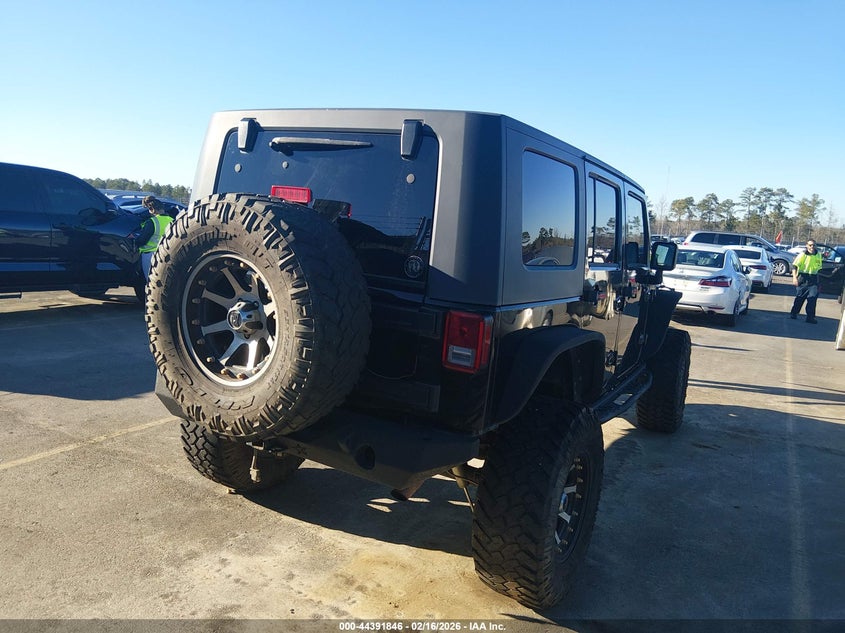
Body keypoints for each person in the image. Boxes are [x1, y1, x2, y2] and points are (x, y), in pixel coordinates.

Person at [138, 196, 175, 281]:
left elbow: (142, 240)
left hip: (150, 256)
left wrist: (134, 240)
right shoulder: (172, 221)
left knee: (151, 281)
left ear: (152, 210)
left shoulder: (152, 222)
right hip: (167, 254)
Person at [789, 239, 823, 323]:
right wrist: (794, 278)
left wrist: (820, 281)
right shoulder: (803, 255)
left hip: (813, 279)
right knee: (800, 298)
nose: (812, 247)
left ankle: (810, 317)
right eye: (810, 245)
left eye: (814, 245)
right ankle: (794, 313)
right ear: (807, 245)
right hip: (803, 278)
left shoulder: (818, 255)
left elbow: (819, 268)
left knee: (812, 299)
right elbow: (794, 266)